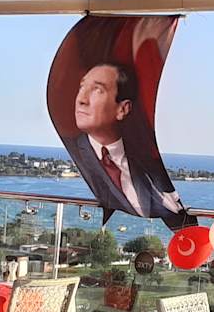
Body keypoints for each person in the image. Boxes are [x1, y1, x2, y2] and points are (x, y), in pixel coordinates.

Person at [63, 62, 192, 229]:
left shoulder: (147, 163)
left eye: (97, 90)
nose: (81, 99)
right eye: (82, 87)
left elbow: (171, 208)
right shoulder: (75, 153)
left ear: (123, 109)